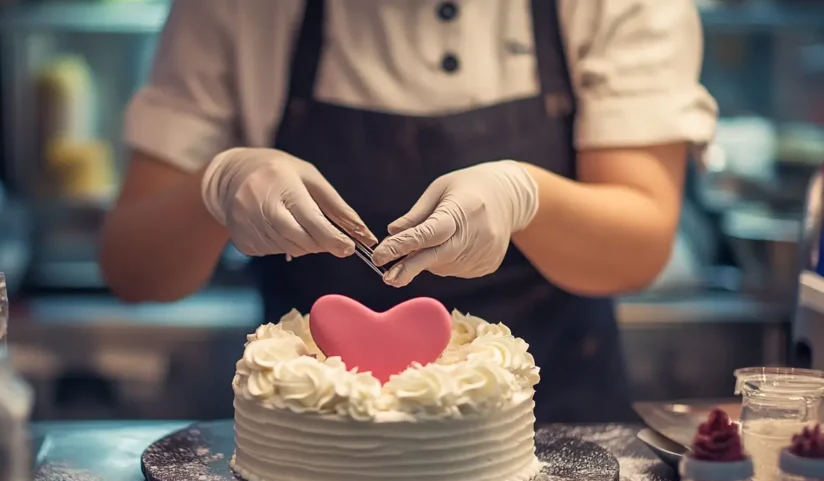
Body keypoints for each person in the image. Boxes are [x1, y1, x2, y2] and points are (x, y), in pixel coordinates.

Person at [100, 0, 718, 423]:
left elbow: (639, 245)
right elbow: (134, 269)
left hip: (556, 435)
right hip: (307, 460)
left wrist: (525, 195)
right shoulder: (240, 11)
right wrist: (218, 184)